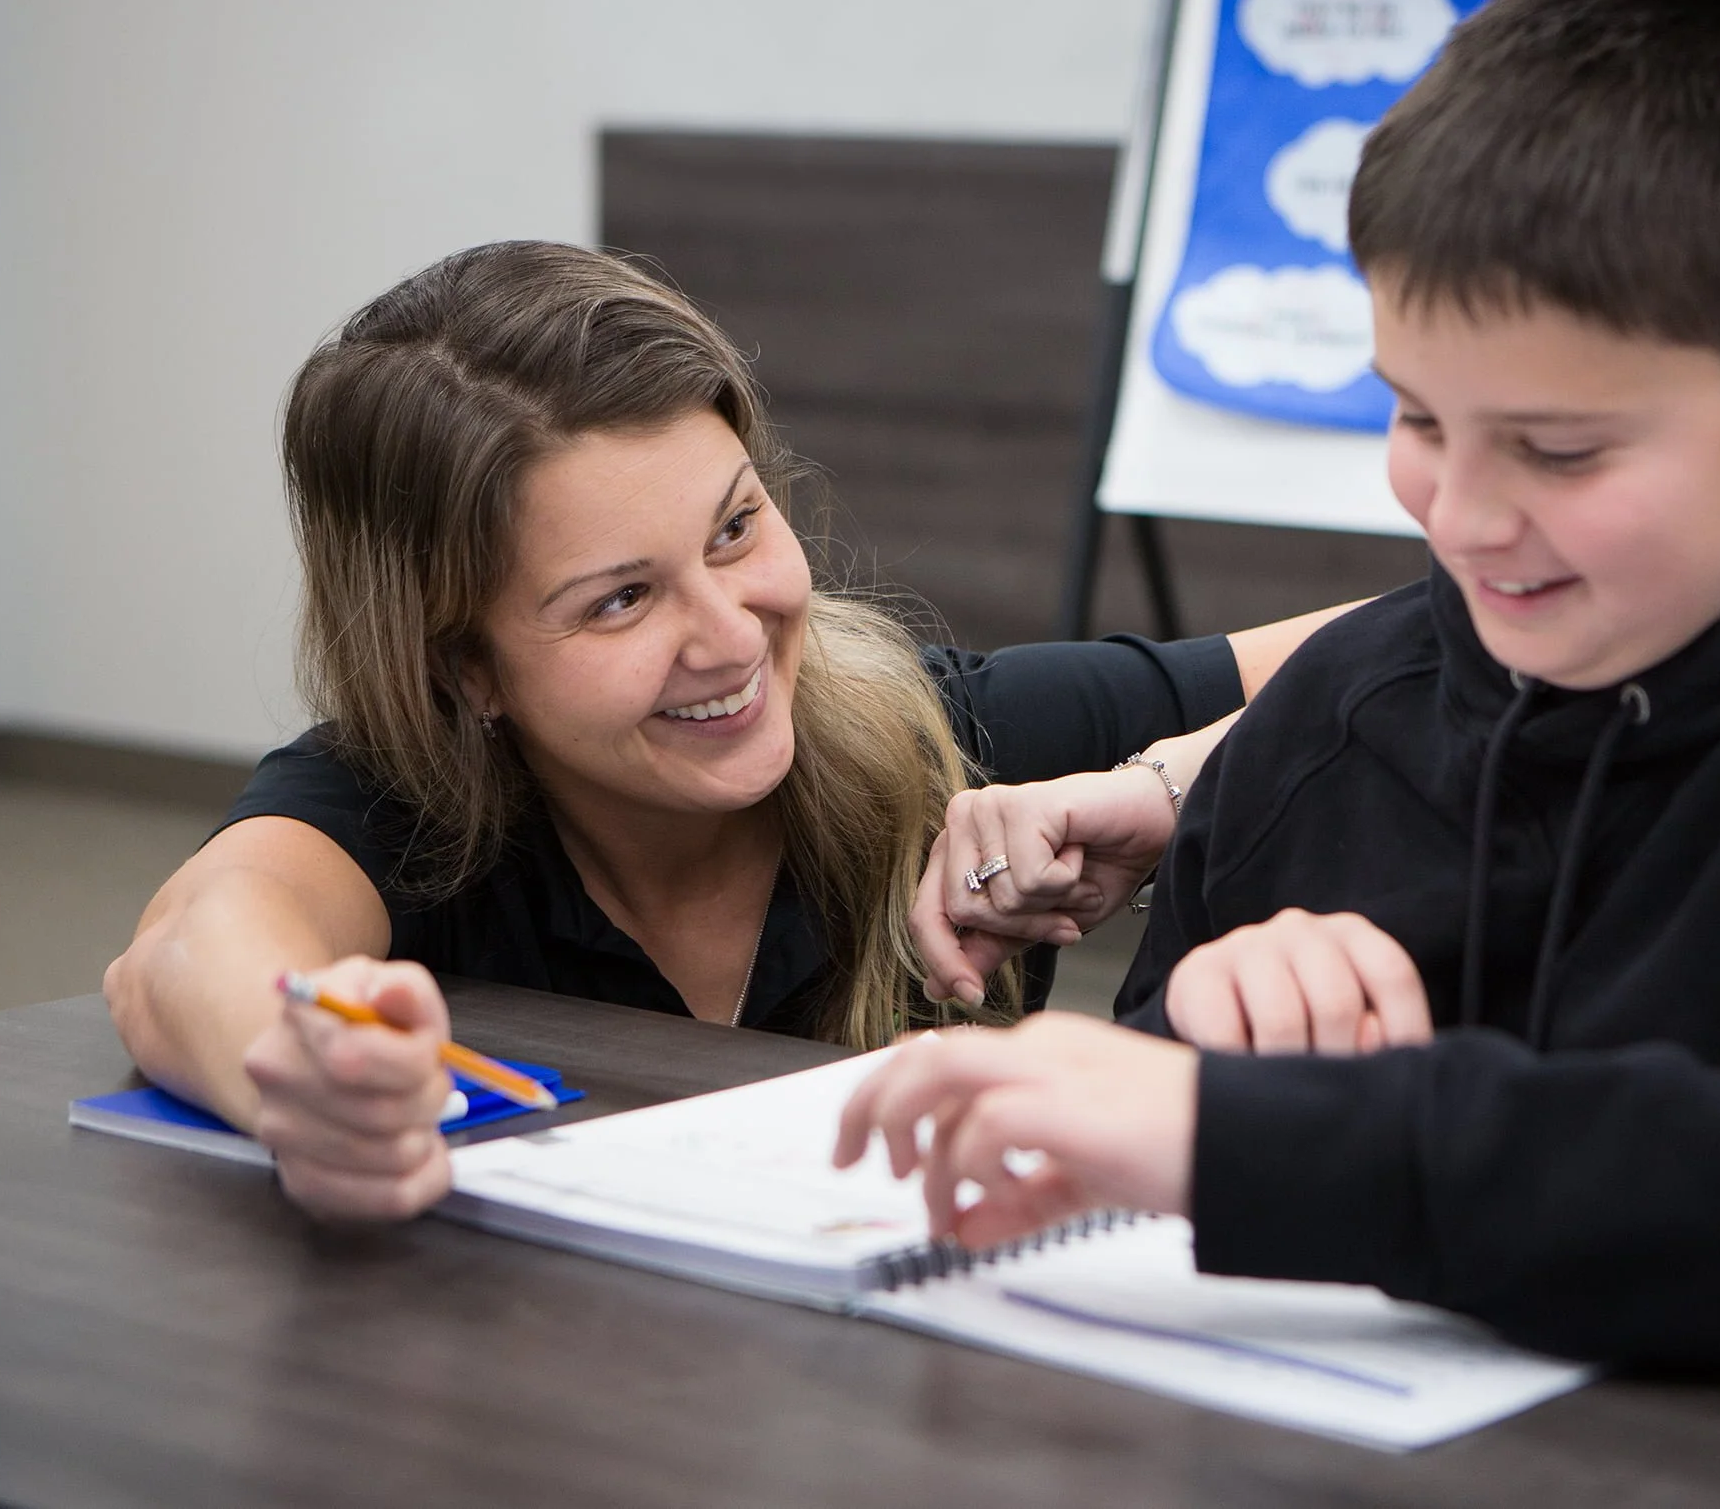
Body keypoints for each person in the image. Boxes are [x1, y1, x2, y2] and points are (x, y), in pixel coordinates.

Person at [837, 0, 1720, 1381]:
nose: (1461, 518)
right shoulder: (1334, 720)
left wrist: (1292, 1136)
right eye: (1419, 418)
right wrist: (1211, 1039)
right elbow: (1165, 1147)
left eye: (1559, 449)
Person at [104, 242, 1353, 1220]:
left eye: (736, 528)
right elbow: (186, 951)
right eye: (621, 599)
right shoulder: (394, 802)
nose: (730, 634)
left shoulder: (940, 731)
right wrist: (305, 1069)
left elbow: (1405, 648)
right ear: (465, 666)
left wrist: (1171, 780)